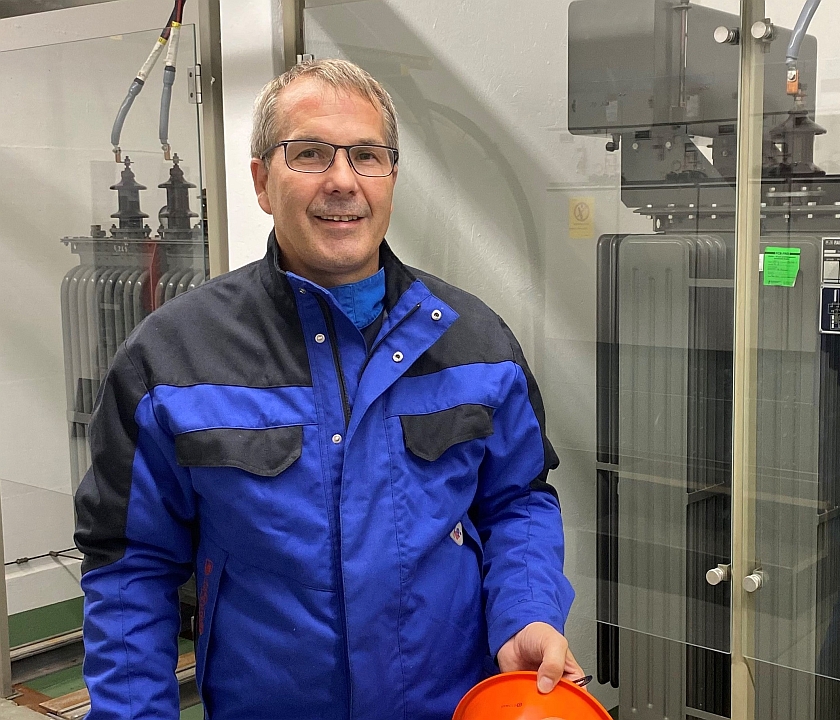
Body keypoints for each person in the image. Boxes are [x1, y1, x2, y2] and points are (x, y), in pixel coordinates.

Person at [74, 58, 579, 720]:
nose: (343, 180)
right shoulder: (171, 359)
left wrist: (527, 611)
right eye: (310, 153)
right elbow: (130, 566)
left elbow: (518, 501)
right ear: (261, 181)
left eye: (367, 156)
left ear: (391, 178)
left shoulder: (475, 342)